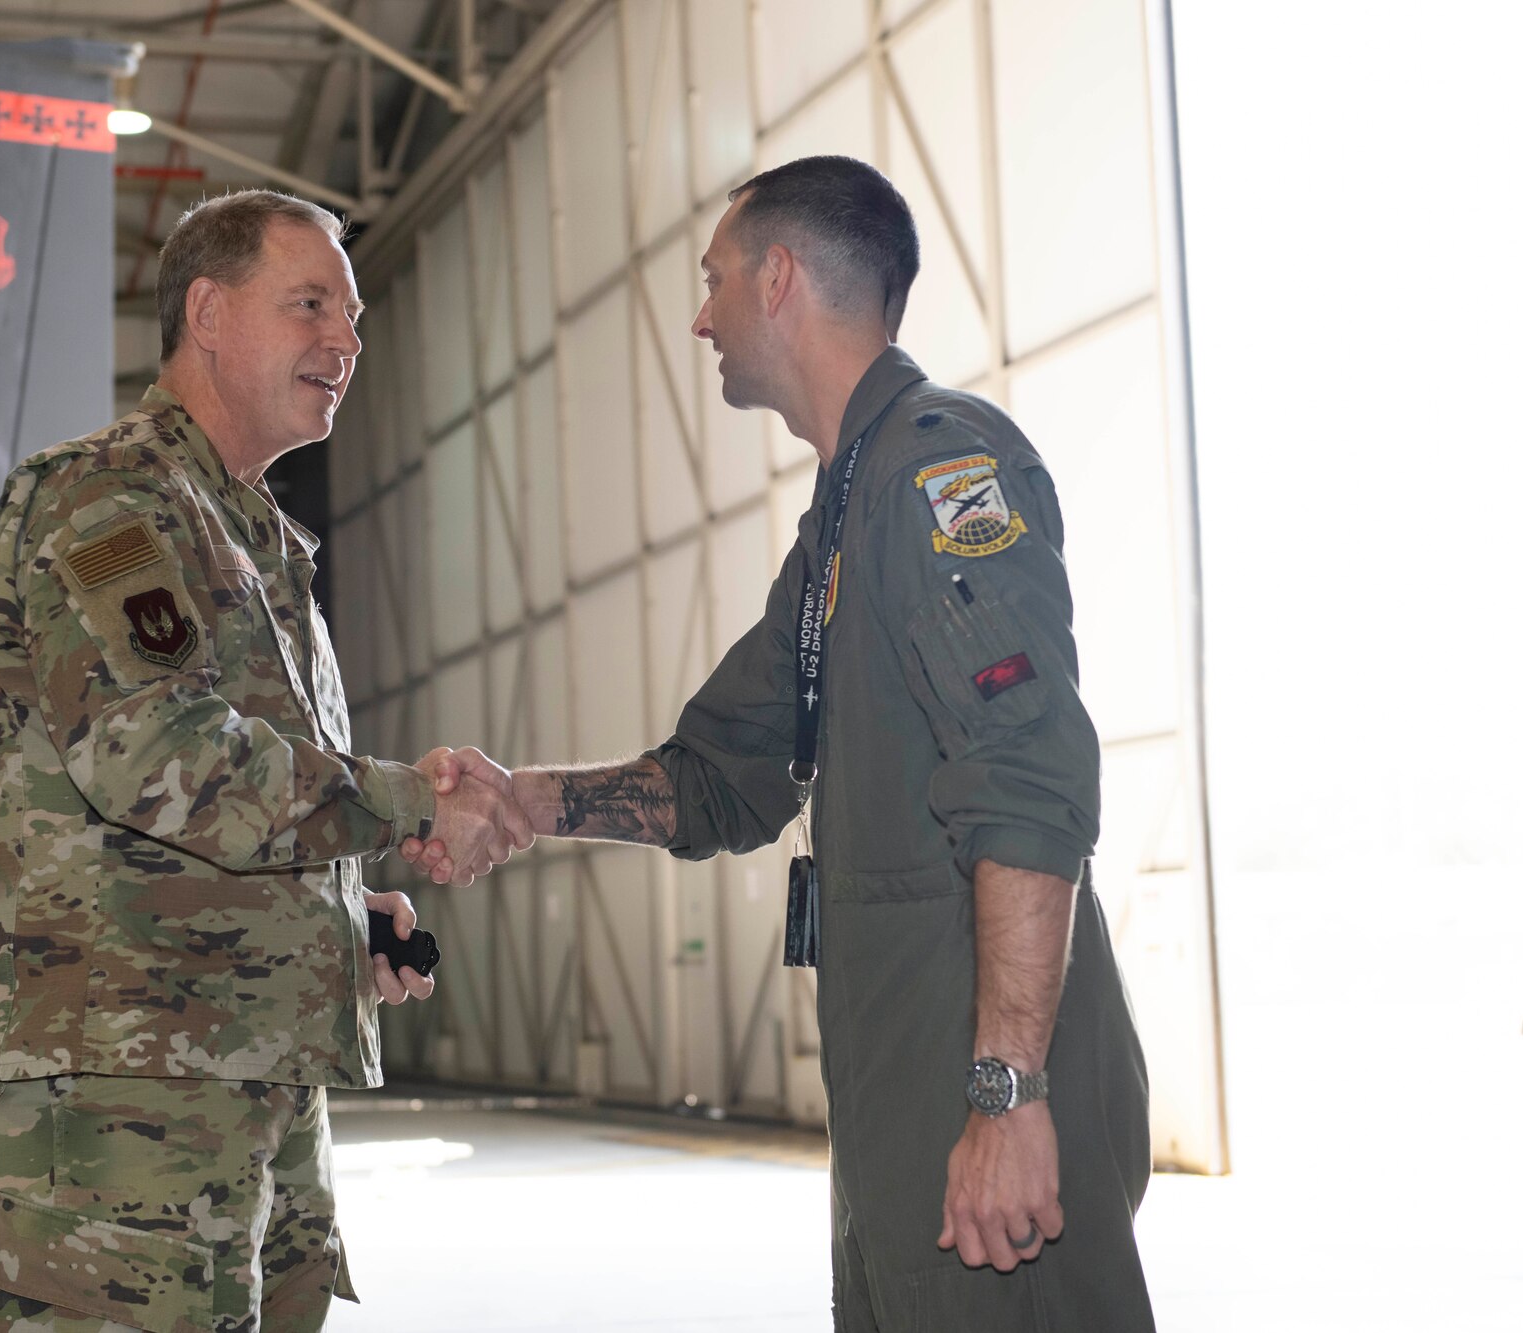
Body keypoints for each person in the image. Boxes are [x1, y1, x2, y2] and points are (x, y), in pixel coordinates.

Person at [408, 156, 1155, 1330]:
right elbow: (720, 777)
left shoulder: (937, 468)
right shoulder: (841, 521)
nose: (698, 318)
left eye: (712, 281)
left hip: (980, 1066)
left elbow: (1028, 779)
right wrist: (519, 799)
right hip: (901, 1074)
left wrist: (1006, 1092)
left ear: (779, 279)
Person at [0, 189, 533, 1333]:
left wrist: (338, 911)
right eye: (310, 304)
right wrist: (409, 797)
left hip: (245, 1077)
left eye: (355, 318)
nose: (345, 341)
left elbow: (216, 815)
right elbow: (163, 761)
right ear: (208, 312)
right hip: (131, 1098)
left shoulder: (253, 535)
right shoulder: (107, 498)